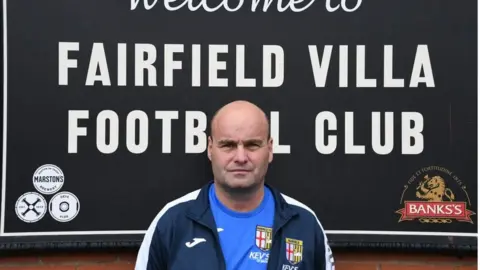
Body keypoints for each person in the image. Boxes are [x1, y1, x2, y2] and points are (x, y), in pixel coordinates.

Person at [135, 100, 335, 270]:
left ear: (270, 149)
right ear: (210, 148)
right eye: (228, 145)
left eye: (252, 145)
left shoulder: (303, 224)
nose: (240, 157)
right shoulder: (172, 222)